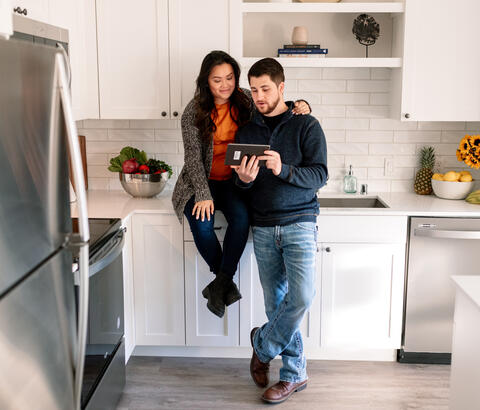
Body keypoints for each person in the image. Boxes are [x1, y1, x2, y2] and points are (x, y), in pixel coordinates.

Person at [172, 51, 311, 318]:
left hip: (237, 180)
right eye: (216, 80)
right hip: (203, 180)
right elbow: (192, 158)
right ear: (205, 81)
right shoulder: (193, 111)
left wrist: (300, 104)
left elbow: (273, 106)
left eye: (229, 78)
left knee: (241, 219)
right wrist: (202, 195)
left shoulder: (246, 98)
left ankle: (220, 284)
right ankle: (223, 280)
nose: (224, 85)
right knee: (200, 223)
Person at [232, 57, 328, 404]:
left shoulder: (306, 125)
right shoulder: (247, 131)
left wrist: (283, 168)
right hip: (263, 226)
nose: (258, 96)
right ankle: (292, 376)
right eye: (254, 89)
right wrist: (243, 180)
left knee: (301, 297)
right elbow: (241, 185)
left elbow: (320, 175)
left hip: (300, 222)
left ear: (282, 88)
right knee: (277, 304)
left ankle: (262, 345)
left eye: (265, 89)